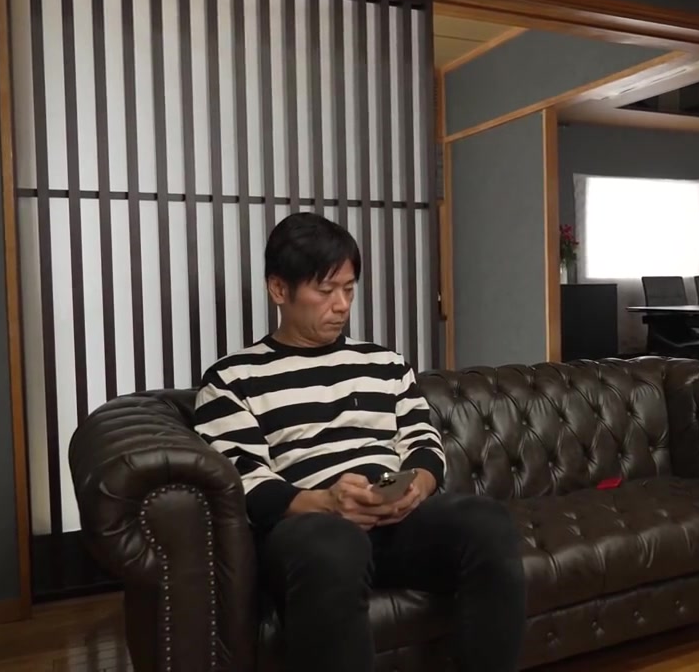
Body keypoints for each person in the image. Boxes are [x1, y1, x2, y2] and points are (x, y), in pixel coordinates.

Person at [194, 212, 526, 671]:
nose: (341, 305)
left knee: (486, 522)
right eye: (325, 290)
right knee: (332, 544)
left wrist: (416, 487)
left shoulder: (385, 364)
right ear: (279, 289)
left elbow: (423, 442)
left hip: (396, 519)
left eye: (349, 289)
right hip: (310, 529)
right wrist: (326, 503)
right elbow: (242, 479)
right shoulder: (233, 378)